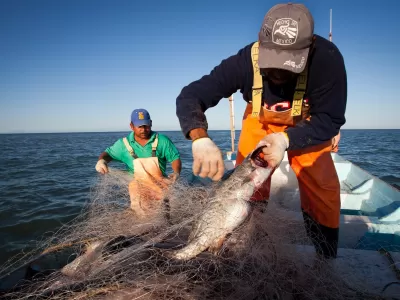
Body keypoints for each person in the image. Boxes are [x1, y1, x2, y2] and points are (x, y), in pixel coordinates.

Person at [175, 3, 347, 259]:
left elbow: (330, 118)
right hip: (261, 121)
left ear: (310, 48)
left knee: (322, 187)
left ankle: (325, 261)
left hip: (307, 126)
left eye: (289, 64)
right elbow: (191, 96)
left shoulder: (328, 60)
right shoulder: (243, 61)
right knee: (248, 185)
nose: (278, 73)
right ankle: (243, 242)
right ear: (260, 41)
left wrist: (285, 139)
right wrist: (199, 138)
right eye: (273, 61)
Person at [95, 108, 182, 217]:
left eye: (146, 125)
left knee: (164, 214)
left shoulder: (162, 140)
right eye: (139, 126)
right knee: (141, 214)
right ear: (131, 126)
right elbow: (108, 154)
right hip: (137, 187)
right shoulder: (123, 144)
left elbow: (175, 158)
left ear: (151, 123)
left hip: (161, 185)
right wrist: (101, 161)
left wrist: (176, 172)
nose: (144, 129)